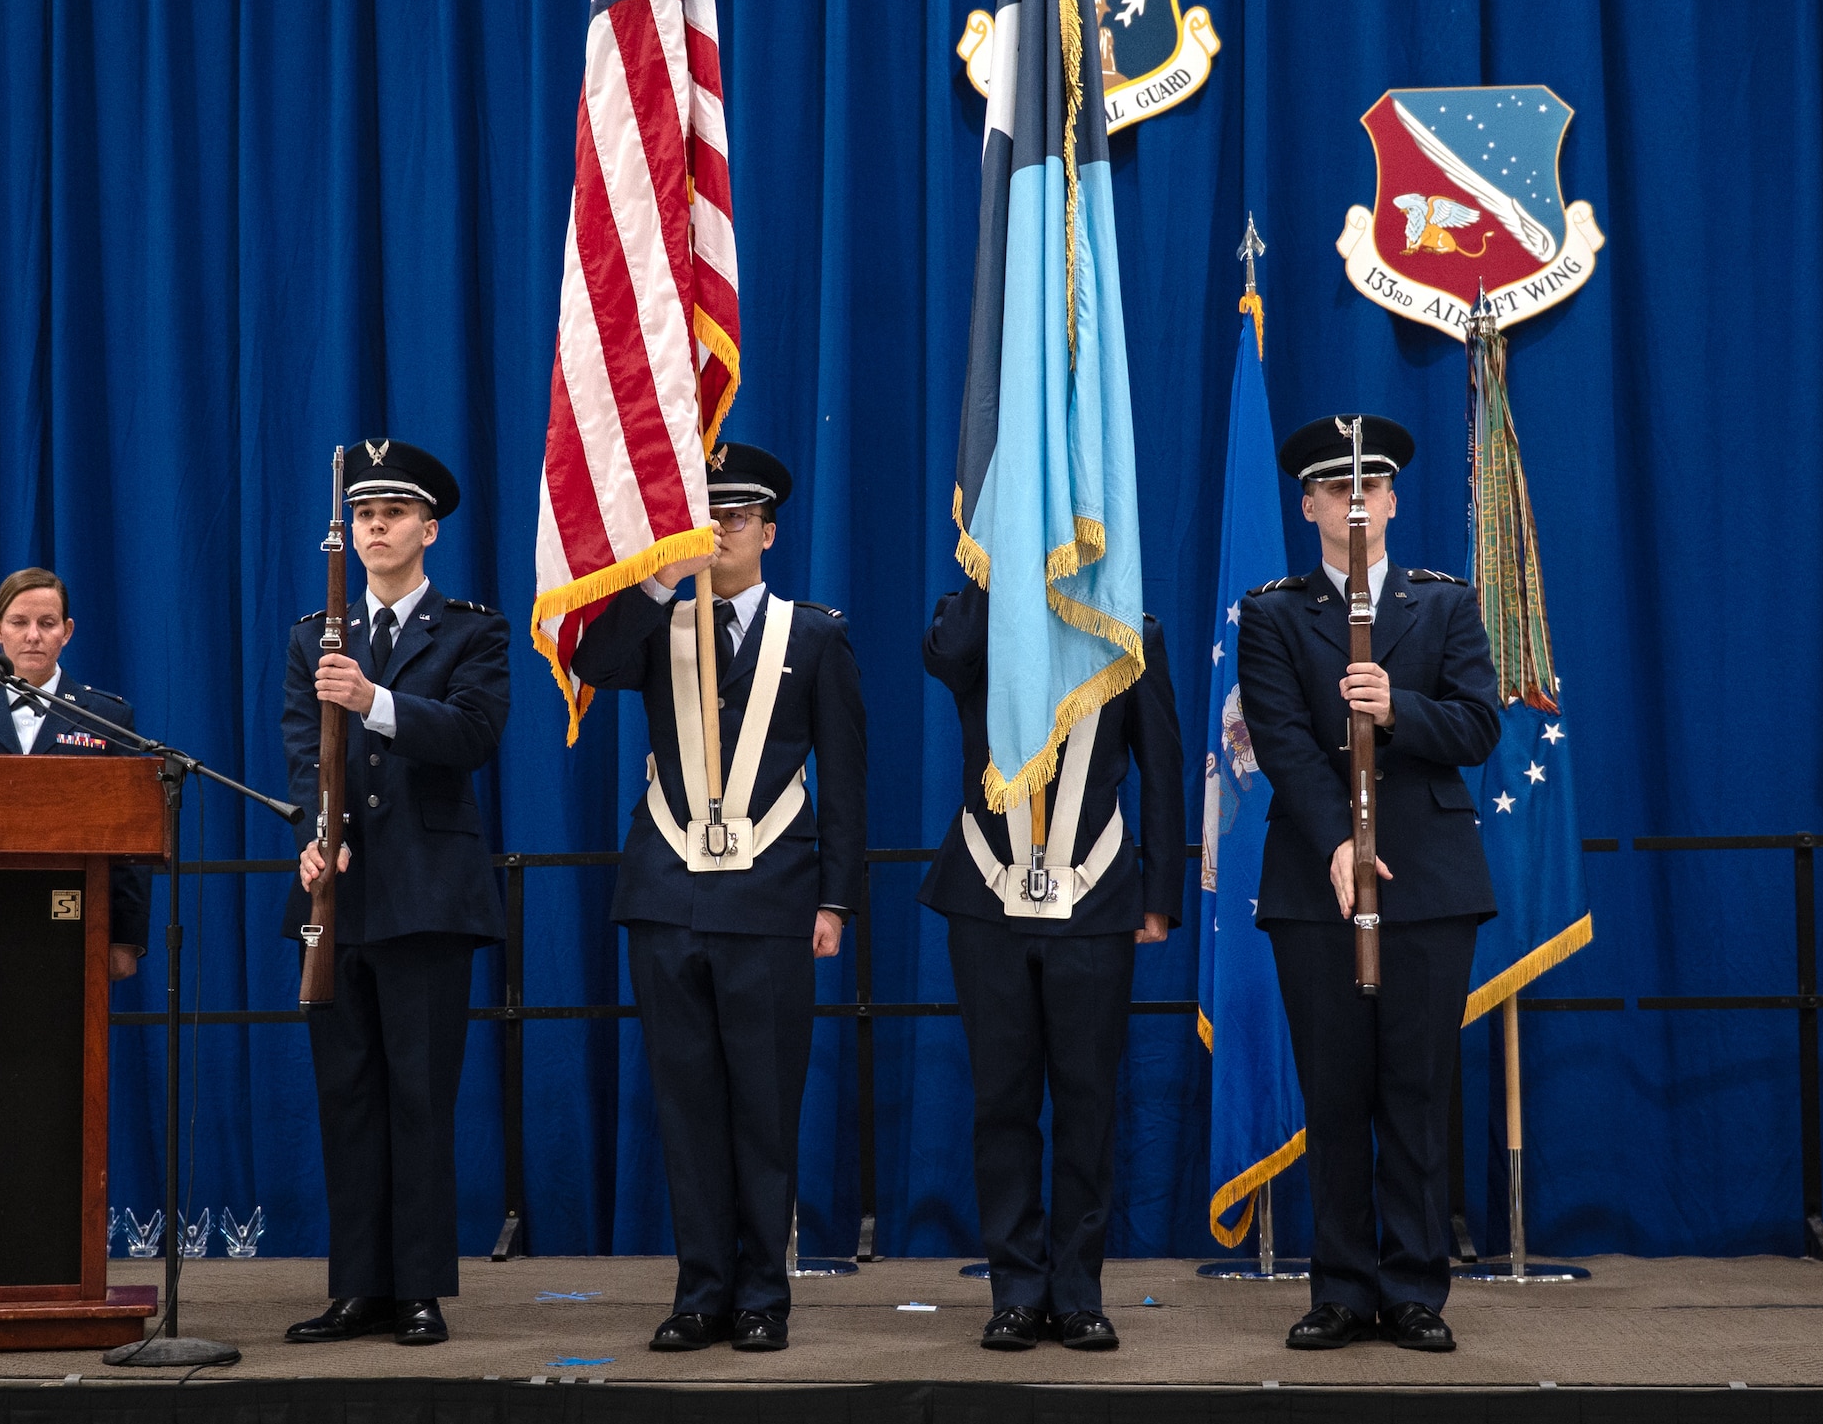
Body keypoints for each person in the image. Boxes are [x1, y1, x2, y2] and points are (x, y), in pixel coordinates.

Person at [571, 442, 865, 1355]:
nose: (721, 529)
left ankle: (763, 1293)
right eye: (708, 514)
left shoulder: (812, 634)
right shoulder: (658, 622)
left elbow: (847, 783)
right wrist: (661, 579)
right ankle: (701, 1289)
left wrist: (837, 901)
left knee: (765, 1106)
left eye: (736, 517)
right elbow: (598, 662)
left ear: (769, 531)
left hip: (774, 896)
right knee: (686, 1100)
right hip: (666, 893)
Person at [1235, 414, 1502, 1353]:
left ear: (1392, 500)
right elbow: (1279, 739)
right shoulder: (1272, 612)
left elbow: (1477, 726)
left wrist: (1399, 709)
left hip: (1429, 880)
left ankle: (1416, 1285)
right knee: (1335, 1088)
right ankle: (1343, 1285)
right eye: (1334, 488)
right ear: (1307, 503)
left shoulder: (1446, 604)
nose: (1354, 502)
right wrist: (1338, 842)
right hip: (1317, 881)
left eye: (1371, 486)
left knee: (1418, 1086)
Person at [279, 439, 509, 1348]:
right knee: (349, 1094)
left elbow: (472, 734)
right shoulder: (312, 634)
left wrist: (375, 698)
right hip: (339, 894)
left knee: (420, 1096)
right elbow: (306, 750)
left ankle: (419, 1286)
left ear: (428, 529)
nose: (377, 526)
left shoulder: (471, 630)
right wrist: (311, 832)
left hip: (427, 895)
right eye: (365, 514)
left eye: (394, 514)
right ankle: (358, 1285)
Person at [919, 585, 1183, 1352]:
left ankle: (1077, 1292)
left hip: (1095, 895)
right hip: (986, 890)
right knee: (1001, 1102)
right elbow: (946, 658)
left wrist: (1159, 893)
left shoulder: (1133, 626)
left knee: (1087, 1103)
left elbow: (1159, 764)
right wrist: (991, 573)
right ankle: (1014, 1291)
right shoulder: (974, 612)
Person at [0, 567, 151, 1039]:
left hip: (75, 923)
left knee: (68, 1075)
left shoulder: (106, 717)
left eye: (47, 622)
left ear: (67, 631)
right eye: (19, 622)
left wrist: (125, 936)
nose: (33, 636)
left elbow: (132, 838)